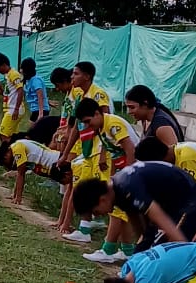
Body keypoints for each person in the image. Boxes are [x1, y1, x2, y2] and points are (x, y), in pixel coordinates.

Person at [71, 156, 196, 263]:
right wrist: (139, 254)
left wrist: (183, 244)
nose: (100, 215)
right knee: (146, 253)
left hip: (191, 204)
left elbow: (159, 217)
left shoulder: (127, 187)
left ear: (102, 199)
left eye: (96, 212)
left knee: (167, 252)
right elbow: (140, 227)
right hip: (174, 206)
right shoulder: (117, 193)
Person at [58, 99, 138, 243]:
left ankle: (113, 248)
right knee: (115, 205)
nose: (87, 126)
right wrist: (114, 175)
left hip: (135, 169)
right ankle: (115, 246)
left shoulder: (113, 124)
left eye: (88, 121)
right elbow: (114, 152)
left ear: (96, 113)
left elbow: (130, 149)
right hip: (121, 168)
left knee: (118, 207)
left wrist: (129, 174)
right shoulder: (101, 127)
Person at [0, 134, 70, 205]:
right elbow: (20, 174)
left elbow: (21, 174)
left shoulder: (17, 148)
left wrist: (18, 197)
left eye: (5, 162)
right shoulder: (17, 145)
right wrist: (14, 194)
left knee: (70, 187)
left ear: (5, 156)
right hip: (54, 163)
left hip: (56, 163)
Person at [0, 53, 28, 143]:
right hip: (11, 108)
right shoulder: (8, 75)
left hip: (13, 109)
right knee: (11, 136)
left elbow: (20, 90)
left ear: (3, 64)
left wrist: (16, 108)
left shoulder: (14, 74)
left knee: (3, 134)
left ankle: (8, 151)